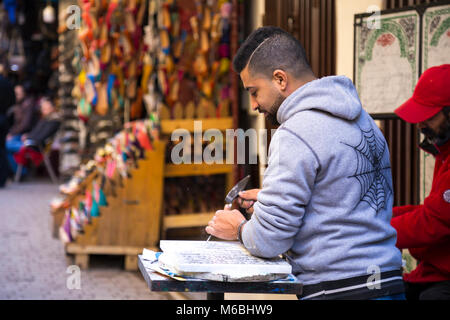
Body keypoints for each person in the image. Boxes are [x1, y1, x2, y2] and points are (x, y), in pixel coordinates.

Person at [205, 26, 404, 300]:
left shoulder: (295, 132)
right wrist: (272, 200)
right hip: (388, 282)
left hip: (337, 289)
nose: (253, 104)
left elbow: (269, 239)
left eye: (254, 91)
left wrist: (238, 228)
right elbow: (342, 199)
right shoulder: (365, 121)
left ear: (279, 79)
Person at [390, 64, 450, 300]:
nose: (420, 124)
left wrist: (374, 231)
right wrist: (380, 215)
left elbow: (434, 222)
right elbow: (432, 209)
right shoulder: (444, 152)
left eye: (429, 116)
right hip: (434, 271)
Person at [12, 96, 60, 174]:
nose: (44, 110)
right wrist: (28, 136)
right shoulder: (44, 119)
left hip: (36, 146)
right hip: (31, 142)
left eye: (46, 108)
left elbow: (42, 137)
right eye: (43, 108)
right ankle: (20, 172)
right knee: (10, 143)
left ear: (52, 108)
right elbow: (35, 132)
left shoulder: (53, 121)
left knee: (6, 146)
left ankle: (21, 172)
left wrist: (28, 137)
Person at [5, 83, 38, 173]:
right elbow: (15, 124)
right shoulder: (17, 105)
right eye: (15, 93)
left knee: (5, 147)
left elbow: (25, 124)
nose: (16, 96)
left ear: (24, 93)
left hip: (26, 136)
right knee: (5, 150)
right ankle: (18, 172)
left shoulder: (28, 104)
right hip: (19, 135)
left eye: (18, 93)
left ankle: (22, 172)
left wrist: (12, 134)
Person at [0, 63, 16, 187]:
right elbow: (13, 101)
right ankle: (3, 178)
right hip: (3, 118)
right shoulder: (7, 83)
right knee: (2, 148)